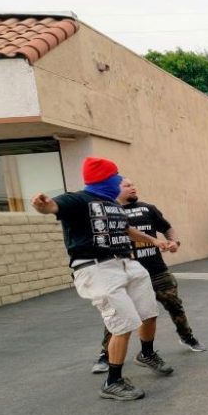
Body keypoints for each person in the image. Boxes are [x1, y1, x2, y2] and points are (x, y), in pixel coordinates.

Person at [32, 157, 175, 401]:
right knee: (124, 323)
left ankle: (147, 354)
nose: (120, 180)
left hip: (126, 263)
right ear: (106, 179)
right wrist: (42, 206)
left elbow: (126, 229)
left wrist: (154, 240)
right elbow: (53, 207)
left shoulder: (113, 204)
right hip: (96, 268)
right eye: (116, 176)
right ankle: (113, 381)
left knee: (148, 312)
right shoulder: (78, 199)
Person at [90, 178, 204, 373]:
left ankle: (187, 337)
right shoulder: (110, 211)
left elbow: (167, 227)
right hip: (125, 273)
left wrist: (174, 241)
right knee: (117, 313)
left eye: (134, 184)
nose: (133, 187)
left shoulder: (148, 208)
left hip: (157, 270)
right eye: (127, 185)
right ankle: (105, 354)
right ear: (115, 190)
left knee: (174, 304)